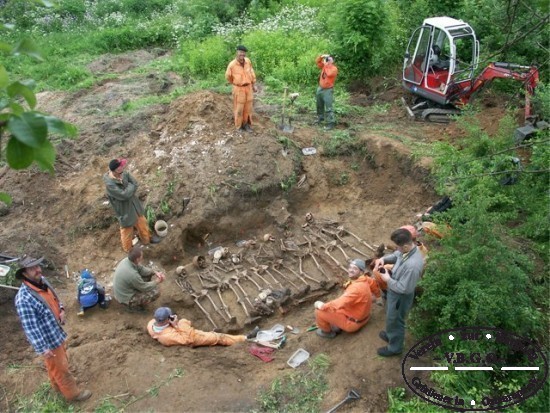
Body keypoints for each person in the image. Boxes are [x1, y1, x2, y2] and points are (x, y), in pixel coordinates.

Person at [14, 256, 92, 402]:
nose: (38, 270)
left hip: (56, 332)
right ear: (24, 273)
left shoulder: (42, 281)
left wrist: (61, 309)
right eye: (32, 268)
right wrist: (43, 348)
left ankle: (56, 387)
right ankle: (73, 395)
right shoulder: (23, 299)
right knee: (62, 368)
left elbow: (55, 298)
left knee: (53, 365)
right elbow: (30, 328)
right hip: (48, 341)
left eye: (37, 266)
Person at [374, 228, 424, 357]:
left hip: (401, 297)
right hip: (395, 292)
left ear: (406, 245)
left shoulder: (413, 266)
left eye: (398, 247)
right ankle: (391, 335)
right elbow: (397, 255)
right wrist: (384, 260)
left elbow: (404, 288)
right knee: (391, 317)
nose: (397, 249)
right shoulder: (408, 250)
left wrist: (388, 279)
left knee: (396, 320)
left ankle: (395, 347)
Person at [103, 158, 161, 252]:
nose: (122, 168)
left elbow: (135, 183)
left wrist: (128, 190)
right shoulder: (110, 184)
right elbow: (124, 195)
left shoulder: (124, 173)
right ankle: (128, 249)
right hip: (124, 209)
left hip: (134, 204)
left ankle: (147, 239)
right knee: (127, 230)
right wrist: (130, 188)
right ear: (115, 170)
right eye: (120, 167)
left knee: (142, 222)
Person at [314, 259, 380, 339]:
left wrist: (321, 305)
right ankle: (337, 324)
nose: (351, 270)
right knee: (334, 307)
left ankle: (327, 332)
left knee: (319, 312)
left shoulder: (355, 288)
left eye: (355, 268)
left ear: (361, 272)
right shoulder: (365, 279)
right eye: (350, 267)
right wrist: (376, 296)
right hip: (364, 317)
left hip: (353, 323)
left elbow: (339, 303)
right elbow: (374, 285)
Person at [147, 307, 252, 347]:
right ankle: (246, 338)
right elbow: (189, 339)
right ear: (166, 320)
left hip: (180, 332)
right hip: (193, 338)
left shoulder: (151, 323)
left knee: (184, 321)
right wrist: (177, 324)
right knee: (218, 337)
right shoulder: (166, 337)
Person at [113, 246, 165, 311]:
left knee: (148, 274)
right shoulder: (132, 274)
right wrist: (157, 281)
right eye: (141, 256)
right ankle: (133, 307)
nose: (142, 257)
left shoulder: (127, 260)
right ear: (137, 259)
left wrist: (154, 272)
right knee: (156, 292)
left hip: (124, 290)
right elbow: (144, 287)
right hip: (126, 298)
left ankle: (136, 297)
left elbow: (141, 269)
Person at [225, 45, 257, 133]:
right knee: (239, 108)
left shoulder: (248, 61)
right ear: (237, 52)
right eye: (240, 52)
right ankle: (238, 127)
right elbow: (228, 77)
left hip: (249, 88)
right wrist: (236, 83)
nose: (242, 54)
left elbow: (251, 72)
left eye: (243, 53)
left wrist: (253, 84)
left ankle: (246, 124)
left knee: (248, 107)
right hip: (239, 89)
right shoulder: (232, 65)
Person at [315, 54, 338, 130]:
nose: (328, 60)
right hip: (320, 88)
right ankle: (320, 118)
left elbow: (329, 74)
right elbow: (317, 62)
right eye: (327, 59)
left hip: (328, 90)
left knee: (328, 108)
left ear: (333, 61)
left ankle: (330, 123)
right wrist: (321, 56)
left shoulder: (334, 69)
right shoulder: (325, 66)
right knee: (319, 104)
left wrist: (326, 65)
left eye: (330, 59)